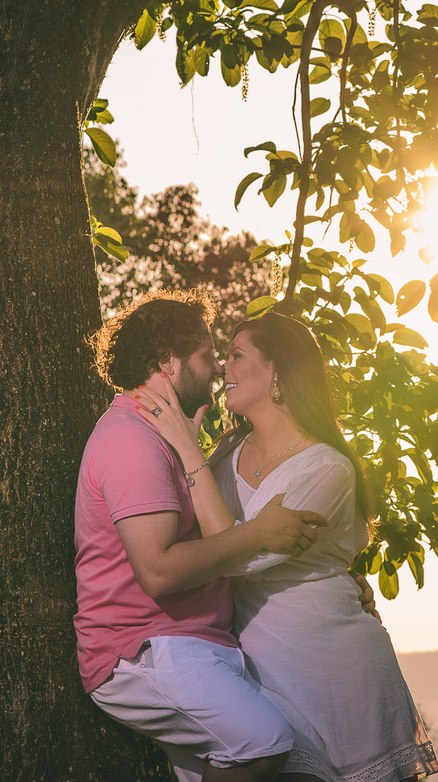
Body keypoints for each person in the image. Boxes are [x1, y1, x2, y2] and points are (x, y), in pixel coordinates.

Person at [134, 312, 438, 782]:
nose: (222, 369)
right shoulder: (223, 455)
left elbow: (243, 560)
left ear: (275, 370)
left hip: (334, 673)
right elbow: (201, 542)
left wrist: (188, 452)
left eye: (236, 355)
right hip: (257, 674)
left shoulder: (328, 468)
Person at [73, 290, 326, 782]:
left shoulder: (166, 435)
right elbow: (159, 571)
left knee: (311, 764)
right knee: (265, 744)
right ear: (166, 360)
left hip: (195, 644)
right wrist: (258, 534)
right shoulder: (131, 439)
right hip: (144, 648)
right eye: (208, 356)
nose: (216, 369)